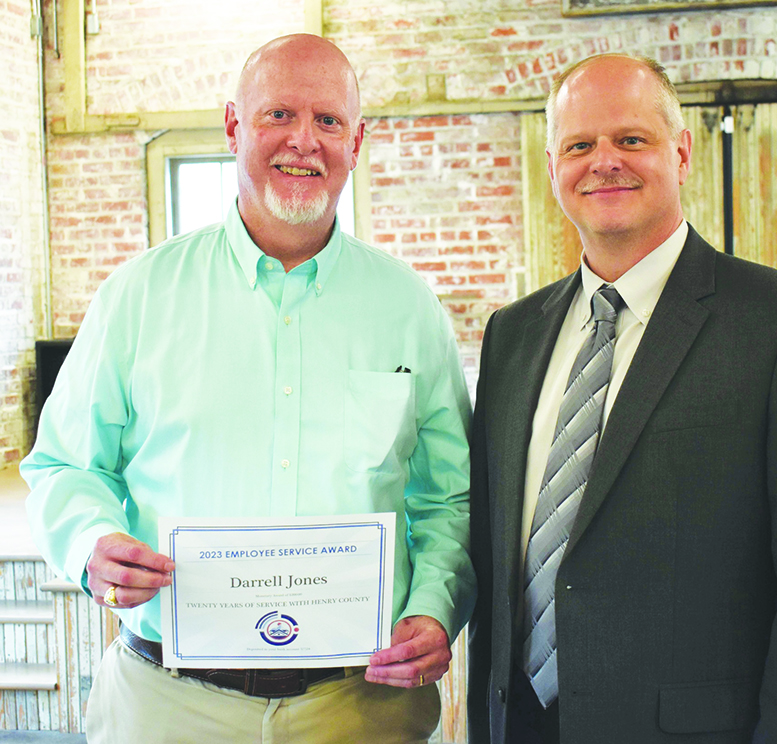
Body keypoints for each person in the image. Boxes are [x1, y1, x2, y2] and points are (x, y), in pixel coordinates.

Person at [22, 34, 475, 743]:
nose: (304, 140)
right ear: (234, 125)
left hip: (360, 709)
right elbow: (62, 465)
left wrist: (436, 605)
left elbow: (447, 497)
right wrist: (90, 544)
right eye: (278, 116)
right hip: (167, 705)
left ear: (356, 141)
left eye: (329, 121)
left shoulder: (408, 307)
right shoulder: (139, 296)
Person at [467, 54, 777, 744]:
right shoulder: (512, 336)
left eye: (630, 139)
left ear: (682, 153)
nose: (603, 161)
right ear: (553, 168)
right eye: (579, 145)